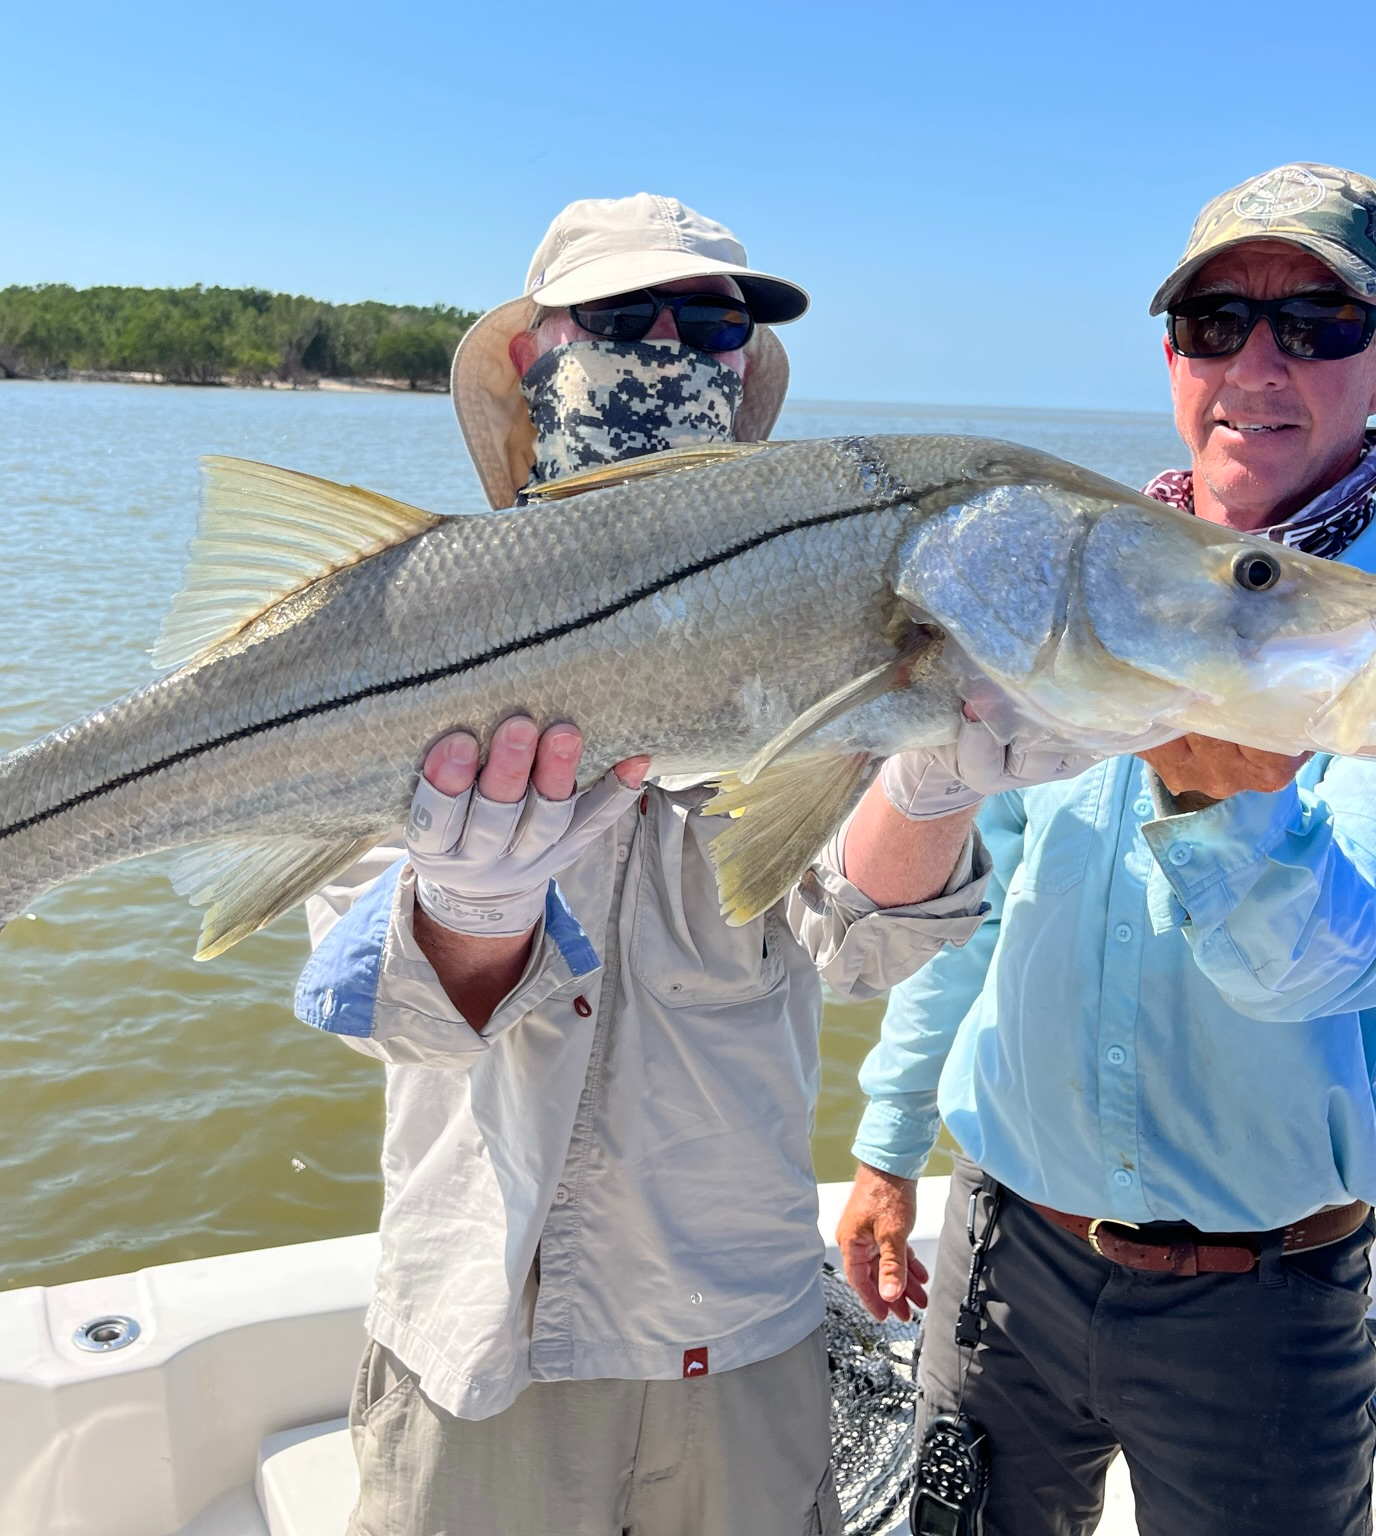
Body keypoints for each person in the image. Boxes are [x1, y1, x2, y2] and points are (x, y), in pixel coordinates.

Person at [292, 194, 1081, 1536]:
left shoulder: (817, 621)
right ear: (532, 356)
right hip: (478, 1343)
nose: (668, 346)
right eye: (620, 316)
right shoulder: (418, 619)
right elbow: (397, 1017)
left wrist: (932, 779)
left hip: (738, 1338)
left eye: (714, 323)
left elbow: (861, 942)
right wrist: (473, 908)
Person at [839, 162, 1376, 1536]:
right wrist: (890, 1145)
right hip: (1004, 1254)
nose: (1258, 363)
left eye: (1320, 322)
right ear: (1172, 355)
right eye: (1215, 322)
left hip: (1265, 1305)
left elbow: (1330, 968)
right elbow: (984, 896)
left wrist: (1223, 805)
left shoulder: (1361, 636)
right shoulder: (1065, 578)